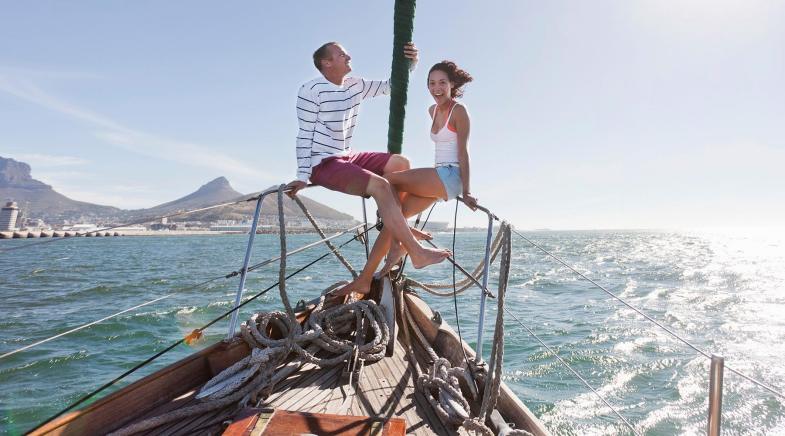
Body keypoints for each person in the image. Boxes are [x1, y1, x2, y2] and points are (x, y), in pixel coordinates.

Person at [286, 42, 450, 274]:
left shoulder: (355, 85)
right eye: (342, 54)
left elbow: (391, 87)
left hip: (346, 155)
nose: (349, 55)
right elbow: (304, 134)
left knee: (400, 164)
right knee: (382, 186)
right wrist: (303, 176)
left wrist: (410, 64)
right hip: (322, 163)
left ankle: (396, 236)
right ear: (327, 63)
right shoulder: (310, 90)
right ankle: (416, 251)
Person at [335, 60, 477, 296]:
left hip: (450, 176)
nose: (436, 88)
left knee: (387, 181)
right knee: (394, 220)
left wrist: (467, 191)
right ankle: (365, 277)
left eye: (442, 82)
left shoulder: (459, 111)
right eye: (431, 83)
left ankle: (410, 243)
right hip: (437, 177)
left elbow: (463, 152)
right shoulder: (432, 111)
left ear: (452, 84)